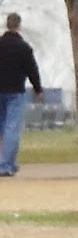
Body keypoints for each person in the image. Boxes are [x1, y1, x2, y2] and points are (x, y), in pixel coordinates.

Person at [0, 13, 44, 177]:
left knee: (2, 128)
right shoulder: (23, 48)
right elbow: (32, 69)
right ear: (18, 26)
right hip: (15, 92)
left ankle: (6, 162)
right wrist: (38, 89)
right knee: (12, 128)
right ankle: (6, 164)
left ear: (6, 25)